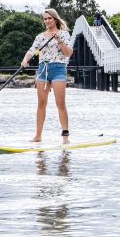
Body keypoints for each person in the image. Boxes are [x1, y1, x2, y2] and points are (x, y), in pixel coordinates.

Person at [21, 8, 73, 144]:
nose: (47, 21)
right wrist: (25, 60)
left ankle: (65, 136)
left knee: (60, 103)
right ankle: (38, 135)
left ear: (55, 19)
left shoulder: (64, 34)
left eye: (49, 18)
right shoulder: (40, 37)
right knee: (41, 103)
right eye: (45, 18)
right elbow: (31, 51)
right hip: (43, 69)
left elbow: (68, 53)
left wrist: (59, 40)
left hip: (58, 68)